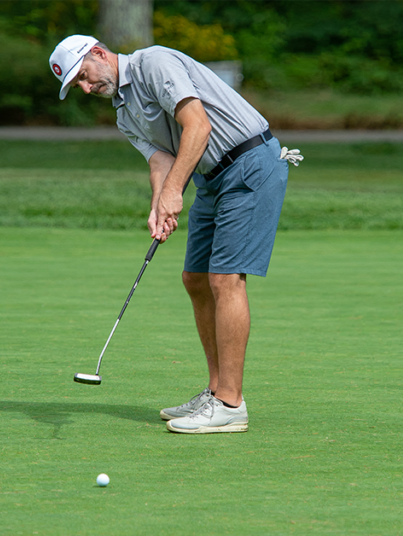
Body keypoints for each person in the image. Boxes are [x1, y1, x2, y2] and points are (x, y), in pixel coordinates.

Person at [49, 35, 301, 434]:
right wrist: (158, 203)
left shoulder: (154, 63)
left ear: (98, 53)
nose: (86, 88)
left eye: (83, 76)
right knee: (195, 279)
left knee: (225, 278)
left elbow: (198, 127)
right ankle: (216, 391)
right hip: (210, 178)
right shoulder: (122, 113)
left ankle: (231, 405)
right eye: (77, 86)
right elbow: (160, 158)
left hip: (249, 162)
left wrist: (173, 192)